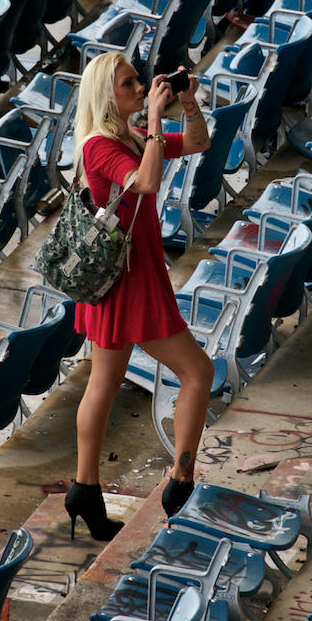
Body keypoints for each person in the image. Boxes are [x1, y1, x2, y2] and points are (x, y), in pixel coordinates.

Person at [64, 51, 213, 541]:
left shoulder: (128, 136)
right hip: (127, 281)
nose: (138, 89)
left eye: (137, 83)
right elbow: (145, 183)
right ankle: (181, 482)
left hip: (133, 271)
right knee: (197, 372)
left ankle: (85, 490)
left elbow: (197, 142)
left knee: (104, 380)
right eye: (129, 85)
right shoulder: (98, 147)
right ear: (107, 96)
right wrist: (152, 118)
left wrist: (187, 104)